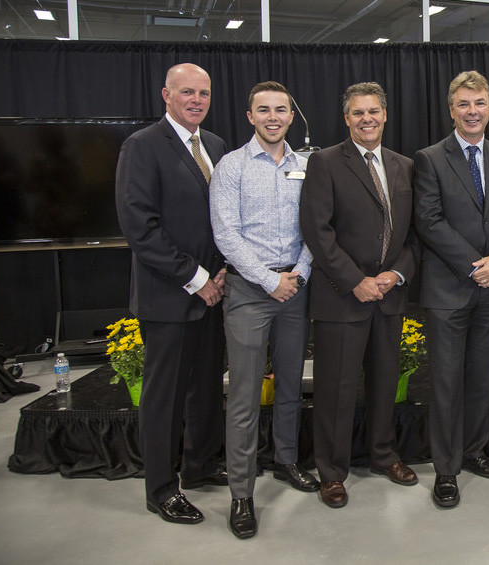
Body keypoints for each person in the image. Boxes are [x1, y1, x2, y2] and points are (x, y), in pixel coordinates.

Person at [115, 63, 228, 525]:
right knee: (163, 397)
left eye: (203, 93)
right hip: (169, 297)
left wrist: (219, 275)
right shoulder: (141, 146)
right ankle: (161, 487)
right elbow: (140, 228)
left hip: (215, 293)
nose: (196, 100)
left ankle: (200, 465)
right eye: (187, 92)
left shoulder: (217, 145)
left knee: (205, 387)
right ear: (166, 95)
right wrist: (197, 279)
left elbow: (222, 219)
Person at [300, 82, 420, 509]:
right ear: (346, 119)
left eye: (373, 111)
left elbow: (412, 235)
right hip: (342, 297)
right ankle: (331, 473)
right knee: (336, 389)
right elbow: (318, 231)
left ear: (385, 115)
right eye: (357, 113)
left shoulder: (405, 166)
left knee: (386, 382)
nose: (366, 119)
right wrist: (356, 280)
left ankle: (384, 455)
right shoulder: (325, 162)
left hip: (389, 296)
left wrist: (396, 275)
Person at [209, 81, 317, 539]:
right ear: (250, 115)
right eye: (263, 110)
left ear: (291, 116)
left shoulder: (309, 166)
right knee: (244, 395)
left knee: (291, 383)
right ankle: (241, 493)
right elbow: (225, 234)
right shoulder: (230, 166)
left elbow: (318, 225)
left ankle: (287, 460)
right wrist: (270, 280)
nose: (273, 117)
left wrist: (299, 274)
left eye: (281, 110)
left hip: (295, 287)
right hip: (250, 292)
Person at [413, 70, 489, 508]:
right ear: (451, 108)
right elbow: (429, 221)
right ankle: (446, 469)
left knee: (482, 379)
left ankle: (476, 450)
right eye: (464, 103)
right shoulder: (429, 158)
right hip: (450, 290)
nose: (472, 111)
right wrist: (474, 265)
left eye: (479, 103)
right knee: (445, 382)